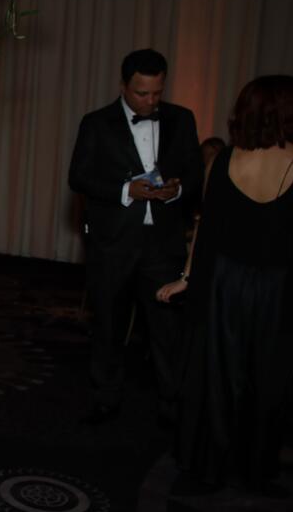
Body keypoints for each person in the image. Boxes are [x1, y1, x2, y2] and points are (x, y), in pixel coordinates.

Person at [158, 75, 293, 486]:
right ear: (288, 113)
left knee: (219, 376)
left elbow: (206, 227)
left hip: (223, 284)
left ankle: (208, 461)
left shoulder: (221, 161)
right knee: (267, 380)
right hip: (278, 290)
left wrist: (189, 276)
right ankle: (253, 466)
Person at [69, 49, 202, 424]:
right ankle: (106, 398)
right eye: (142, 93)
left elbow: (195, 174)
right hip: (113, 244)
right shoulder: (96, 123)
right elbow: (78, 177)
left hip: (163, 245)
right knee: (109, 324)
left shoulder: (181, 119)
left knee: (166, 330)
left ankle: (172, 404)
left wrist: (175, 190)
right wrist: (127, 190)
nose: (150, 100)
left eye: (157, 93)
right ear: (124, 85)